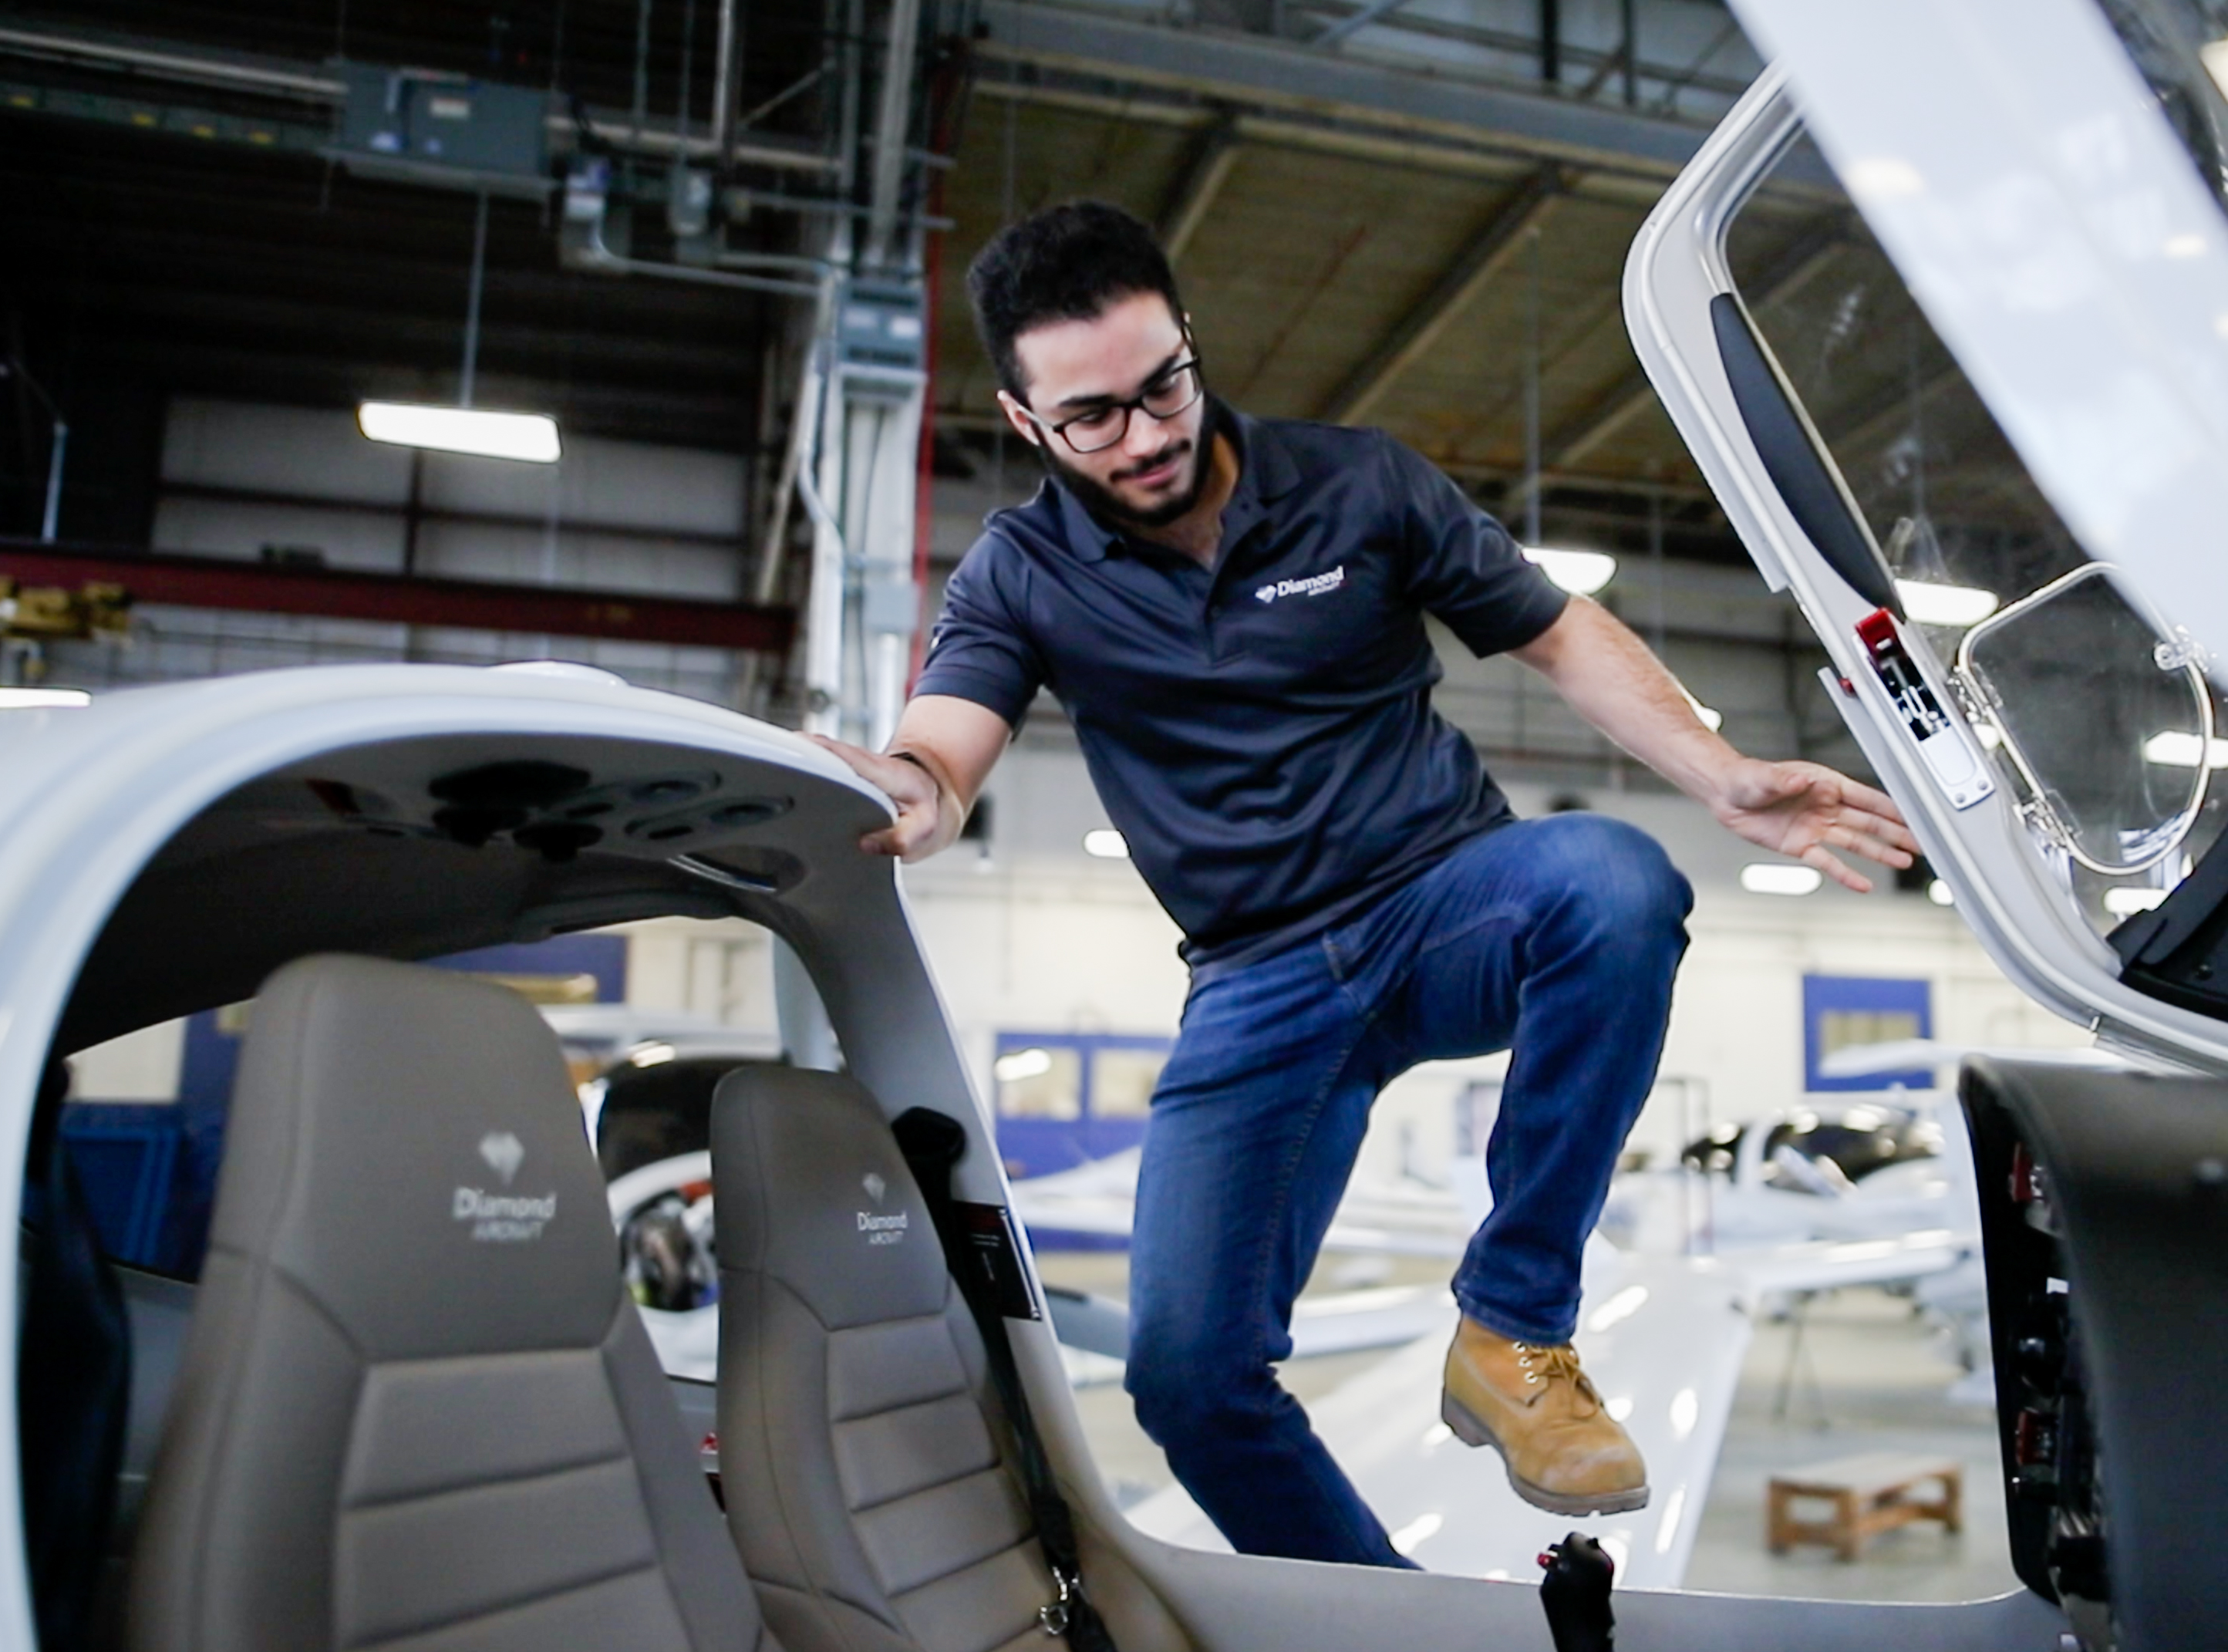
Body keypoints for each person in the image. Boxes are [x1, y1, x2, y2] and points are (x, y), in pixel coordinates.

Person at [809, 200, 1916, 1568]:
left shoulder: (1358, 484)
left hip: (1447, 904)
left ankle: (1513, 1324)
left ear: (1190, 346)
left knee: (1616, 883)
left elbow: (1557, 633)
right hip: (1256, 984)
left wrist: (1720, 770)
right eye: (1092, 415)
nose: (1148, 432)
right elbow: (946, 746)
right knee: (1190, 1383)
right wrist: (906, 792)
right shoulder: (1021, 574)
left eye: (1165, 383)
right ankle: (1387, 1617)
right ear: (1025, 420)